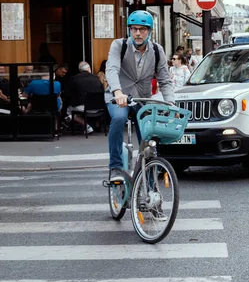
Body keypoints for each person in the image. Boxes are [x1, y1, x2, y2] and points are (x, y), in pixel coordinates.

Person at [105, 10, 174, 183]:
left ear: (149, 31)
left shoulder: (157, 50)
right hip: (119, 96)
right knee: (119, 118)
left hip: (142, 99)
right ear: (129, 30)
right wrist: (118, 92)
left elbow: (165, 80)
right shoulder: (118, 45)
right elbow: (112, 69)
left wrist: (171, 103)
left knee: (148, 137)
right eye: (134, 29)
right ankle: (115, 166)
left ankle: (150, 181)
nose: (137, 33)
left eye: (142, 29)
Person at [64, 61, 104, 134]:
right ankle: (97, 125)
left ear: (80, 70)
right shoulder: (97, 78)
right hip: (99, 107)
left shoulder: (74, 78)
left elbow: (68, 93)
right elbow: (102, 91)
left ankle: (86, 125)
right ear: (89, 68)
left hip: (84, 107)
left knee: (68, 110)